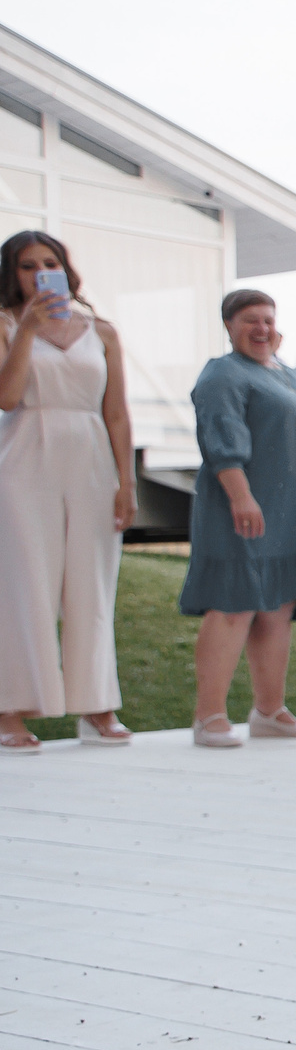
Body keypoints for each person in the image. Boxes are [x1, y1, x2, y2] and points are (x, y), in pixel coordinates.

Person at [180, 289, 296, 747]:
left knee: (278, 606)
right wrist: (241, 496)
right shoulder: (222, 374)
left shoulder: (288, 373)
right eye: (250, 320)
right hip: (246, 504)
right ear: (229, 325)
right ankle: (208, 716)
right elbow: (219, 437)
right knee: (233, 602)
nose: (262, 328)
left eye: (268, 319)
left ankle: (269, 711)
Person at [0, 230, 133, 752]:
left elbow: (117, 412)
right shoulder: (7, 324)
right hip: (25, 456)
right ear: (12, 274)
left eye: (48, 262)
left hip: (93, 457)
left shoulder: (102, 331)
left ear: (65, 268)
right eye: (27, 265)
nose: (38, 273)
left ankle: (97, 705)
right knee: (24, 585)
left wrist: (127, 484)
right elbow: (7, 399)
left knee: (93, 584)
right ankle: (9, 708)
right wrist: (27, 331)